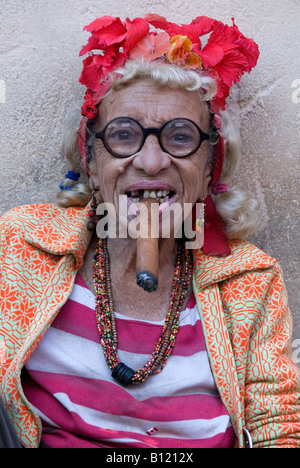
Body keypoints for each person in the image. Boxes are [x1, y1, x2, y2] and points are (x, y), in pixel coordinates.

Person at [0, 13, 299, 449]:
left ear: (209, 163)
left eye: (180, 138)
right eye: (124, 135)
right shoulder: (21, 246)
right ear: (91, 158)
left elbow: (279, 426)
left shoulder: (249, 281)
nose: (152, 161)